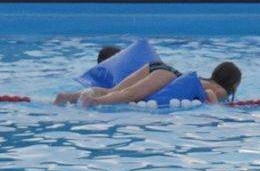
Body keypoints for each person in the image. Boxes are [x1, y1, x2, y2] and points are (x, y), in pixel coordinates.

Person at [54, 60, 241, 107]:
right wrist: (216, 110)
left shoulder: (207, 80)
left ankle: (67, 97)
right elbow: (211, 96)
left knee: (115, 90)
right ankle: (94, 103)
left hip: (157, 67)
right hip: (167, 75)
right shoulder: (222, 90)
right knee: (128, 95)